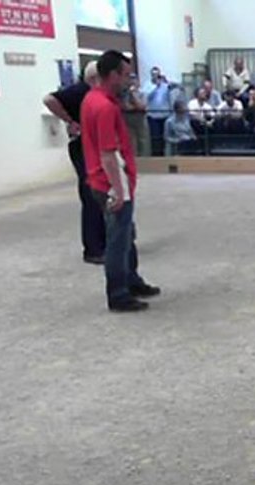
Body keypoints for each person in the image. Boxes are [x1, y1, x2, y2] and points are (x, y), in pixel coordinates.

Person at [81, 50, 159, 312]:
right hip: (112, 183)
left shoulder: (93, 100)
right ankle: (118, 293)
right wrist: (118, 190)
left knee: (126, 235)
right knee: (117, 240)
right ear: (112, 75)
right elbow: (107, 153)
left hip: (107, 181)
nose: (129, 80)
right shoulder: (103, 107)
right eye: (125, 75)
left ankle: (131, 279)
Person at [43, 61, 105, 262]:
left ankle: (103, 242)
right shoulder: (80, 91)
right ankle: (93, 249)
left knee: (101, 194)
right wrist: (69, 121)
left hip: (97, 147)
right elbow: (49, 99)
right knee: (91, 195)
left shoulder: (99, 95)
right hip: (82, 147)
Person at [142, 67, 172, 156]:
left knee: (164, 137)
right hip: (153, 116)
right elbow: (147, 97)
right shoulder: (147, 85)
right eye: (154, 74)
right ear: (151, 75)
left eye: (157, 74)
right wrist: (156, 86)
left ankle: (163, 155)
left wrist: (167, 82)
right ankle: (156, 156)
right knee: (155, 137)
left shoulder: (165, 84)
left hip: (165, 115)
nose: (155, 76)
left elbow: (176, 89)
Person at [121, 74, 150, 157]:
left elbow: (142, 106)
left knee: (143, 142)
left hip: (140, 119)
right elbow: (125, 107)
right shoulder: (124, 94)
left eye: (134, 79)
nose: (132, 81)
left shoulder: (143, 93)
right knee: (131, 142)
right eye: (130, 79)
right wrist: (135, 107)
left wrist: (133, 94)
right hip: (128, 120)